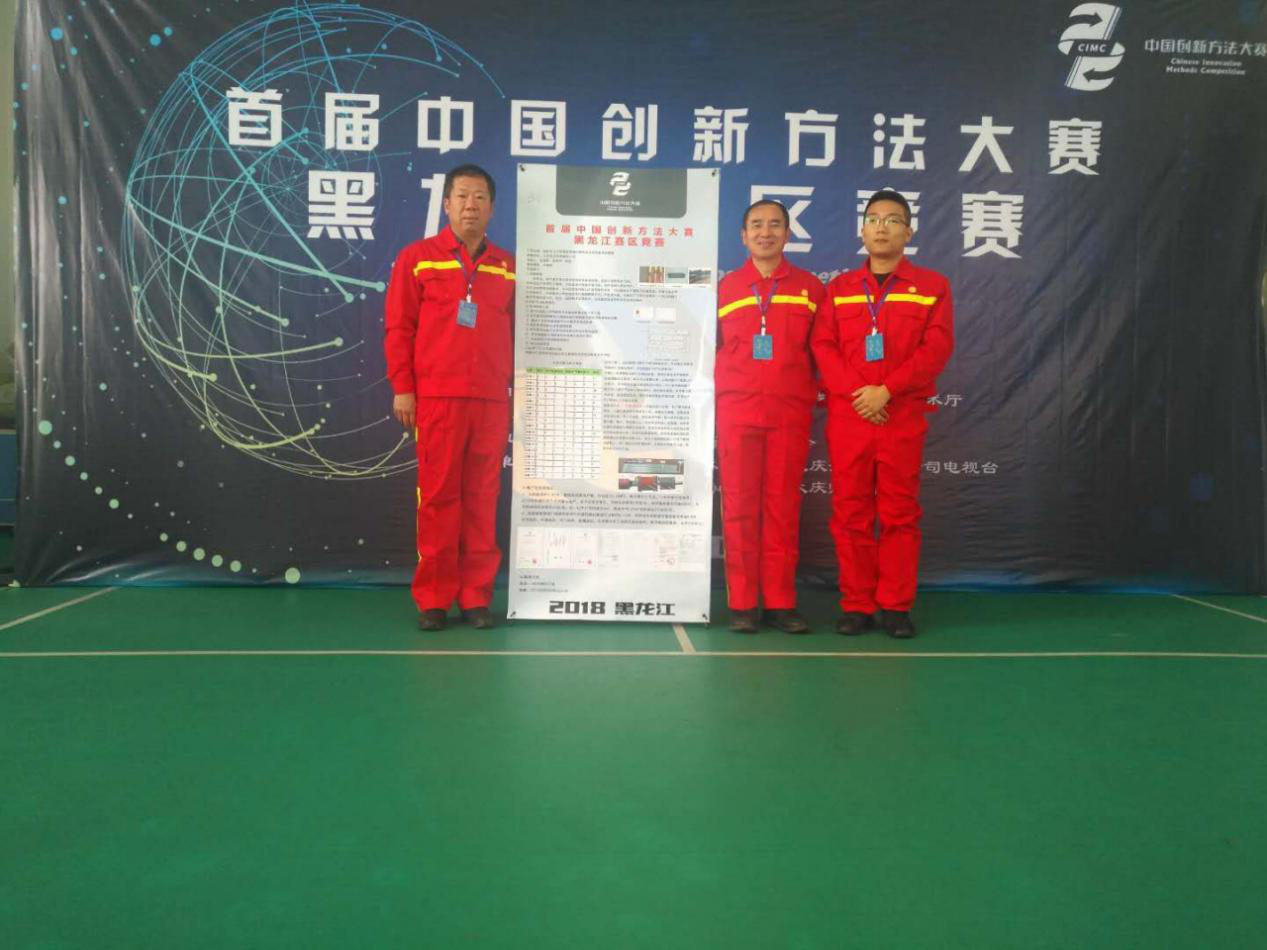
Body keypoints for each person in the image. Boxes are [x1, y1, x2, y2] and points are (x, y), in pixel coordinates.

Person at [811, 190, 953, 638]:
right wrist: (860, 394)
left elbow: (936, 349)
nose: (882, 227)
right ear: (862, 231)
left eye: (893, 220)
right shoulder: (839, 289)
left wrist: (887, 391)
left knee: (899, 514)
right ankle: (856, 604)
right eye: (873, 218)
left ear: (908, 232)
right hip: (850, 415)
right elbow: (823, 346)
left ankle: (895, 605)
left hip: (901, 415)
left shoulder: (932, 287)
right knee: (850, 513)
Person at [384, 164, 515, 631]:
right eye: (462, 196)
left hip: (491, 401)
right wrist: (404, 387)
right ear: (446, 204)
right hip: (438, 399)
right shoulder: (418, 259)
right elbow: (399, 327)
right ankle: (434, 598)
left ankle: (476, 597)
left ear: (492, 207)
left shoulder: (507, 267)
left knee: (482, 499)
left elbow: (522, 333)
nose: (470, 205)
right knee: (438, 499)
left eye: (480, 197)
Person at [715, 200, 825, 634]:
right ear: (743, 236)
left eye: (775, 225)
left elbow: (823, 352)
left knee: (782, 507)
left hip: (788, 413)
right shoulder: (725, 288)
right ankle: (742, 603)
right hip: (737, 412)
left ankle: (780, 602)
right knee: (739, 507)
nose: (766, 232)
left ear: (787, 234)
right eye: (756, 225)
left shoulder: (810, 289)